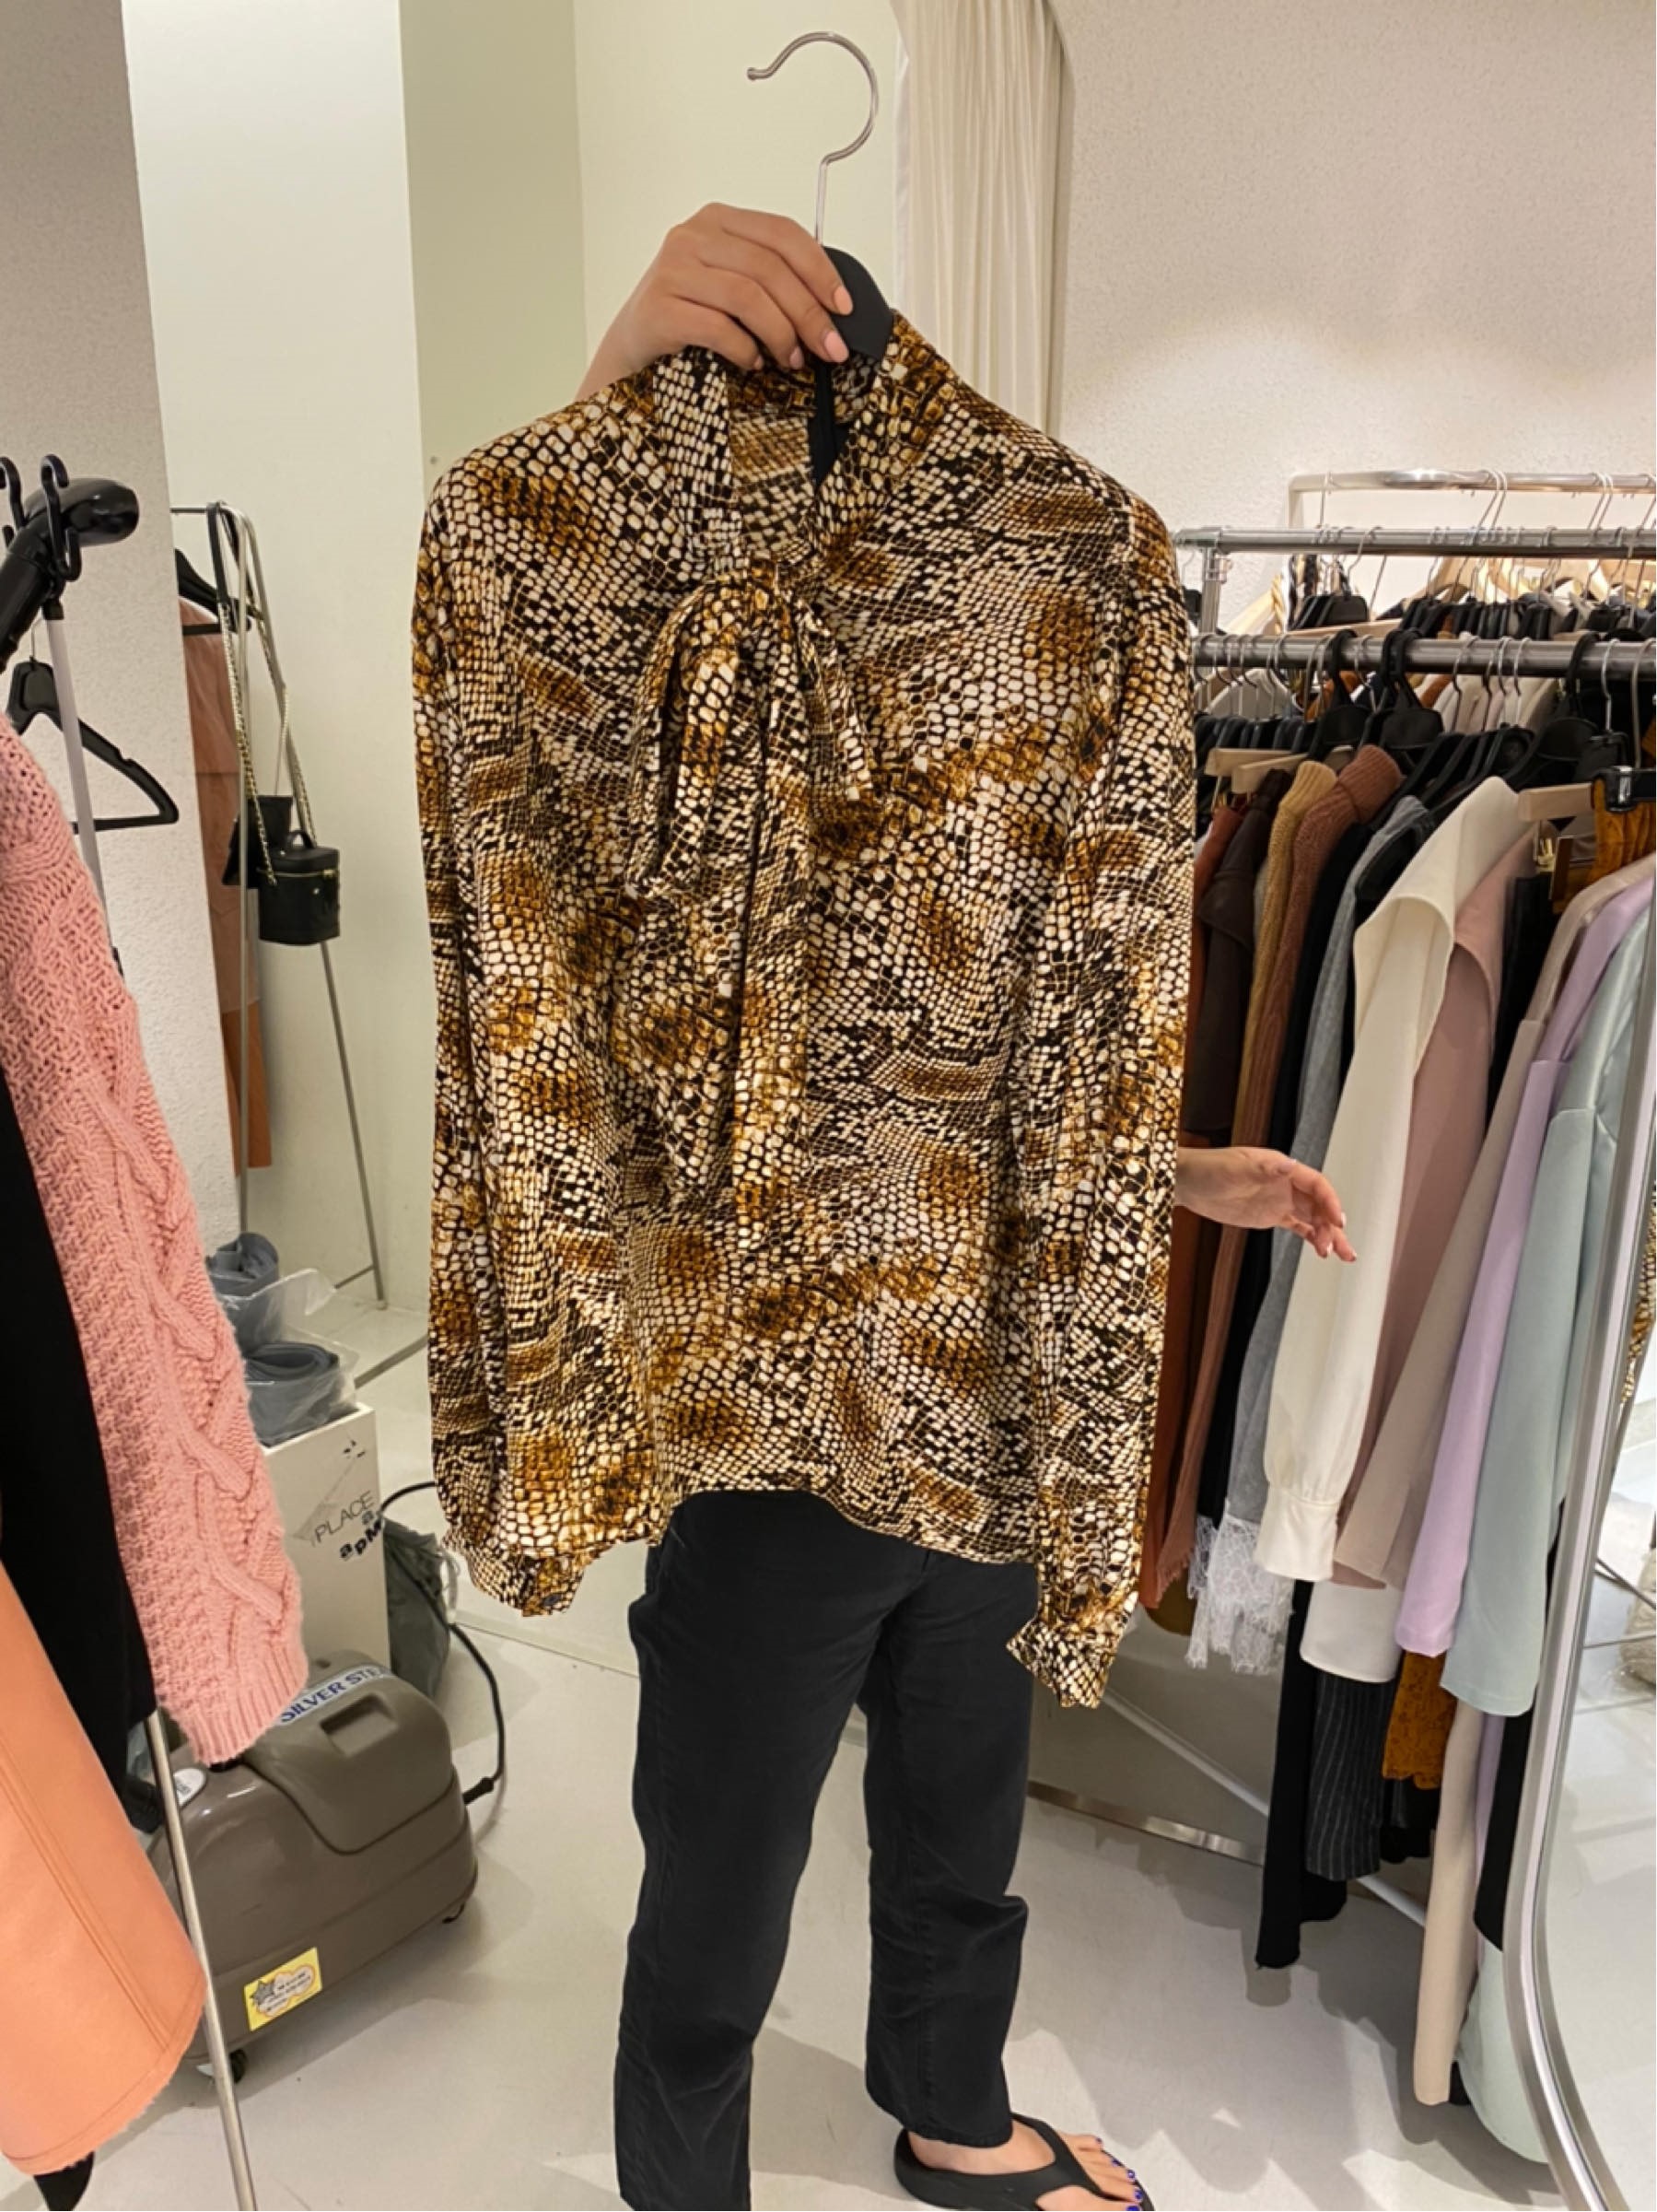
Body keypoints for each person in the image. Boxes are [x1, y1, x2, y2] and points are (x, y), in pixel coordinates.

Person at [574, 207, 1355, 2212]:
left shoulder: (1000, 688)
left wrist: (1182, 1169)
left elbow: (1002, 1061)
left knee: (960, 1814)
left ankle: (948, 2106)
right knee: (719, 1884)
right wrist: (614, 378)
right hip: (770, 1436)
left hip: (986, 1403)